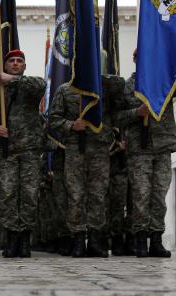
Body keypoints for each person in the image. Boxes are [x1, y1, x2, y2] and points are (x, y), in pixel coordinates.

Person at [118, 49, 176, 257]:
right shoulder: (128, 86)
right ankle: (140, 240)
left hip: (162, 146)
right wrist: (137, 112)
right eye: (140, 57)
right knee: (141, 195)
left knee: (159, 196)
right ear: (134, 60)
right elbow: (117, 117)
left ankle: (156, 240)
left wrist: (165, 67)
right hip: (139, 149)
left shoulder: (164, 82)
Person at [48, 74, 128, 257]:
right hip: (75, 148)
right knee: (75, 195)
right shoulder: (64, 90)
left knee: (98, 195)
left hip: (100, 148)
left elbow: (120, 86)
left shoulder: (104, 87)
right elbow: (53, 119)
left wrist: (96, 76)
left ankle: (95, 240)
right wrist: (71, 125)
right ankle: (77, 239)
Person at [0, 49, 47, 258]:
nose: (15, 63)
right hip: (7, 152)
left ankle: (25, 240)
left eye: (19, 61)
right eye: (11, 61)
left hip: (30, 151)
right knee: (7, 195)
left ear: (23, 67)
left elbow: (41, 85)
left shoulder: (29, 86)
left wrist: (13, 80)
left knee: (29, 195)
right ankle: (11, 239)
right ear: (5, 65)